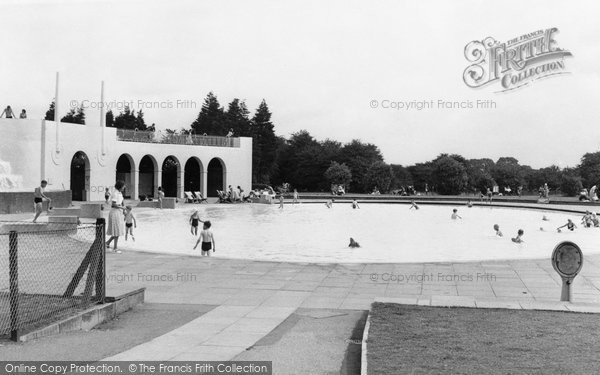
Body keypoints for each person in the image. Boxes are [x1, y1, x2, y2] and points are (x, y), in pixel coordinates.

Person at [106, 180, 126, 253]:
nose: (125, 187)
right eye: (124, 185)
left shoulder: (119, 193)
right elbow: (113, 204)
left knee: (117, 230)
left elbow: (122, 202)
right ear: (120, 186)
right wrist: (122, 208)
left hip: (118, 212)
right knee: (117, 230)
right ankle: (115, 248)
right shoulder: (115, 193)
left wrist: (124, 210)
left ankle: (107, 243)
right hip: (115, 212)